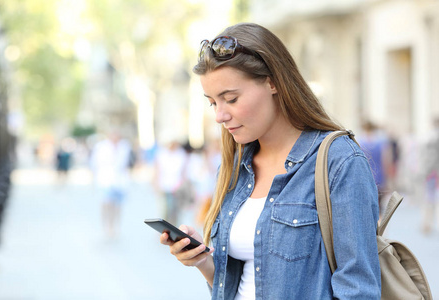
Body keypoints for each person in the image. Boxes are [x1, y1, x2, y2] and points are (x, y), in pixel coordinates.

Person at [159, 23, 380, 299]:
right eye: (213, 102)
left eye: (231, 99)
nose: (220, 115)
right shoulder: (234, 167)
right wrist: (202, 260)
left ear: (273, 82)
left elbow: (358, 290)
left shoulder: (339, 161)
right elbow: (242, 280)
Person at [90, 130, 132, 239]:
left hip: (120, 182)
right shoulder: (101, 147)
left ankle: (115, 226)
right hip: (105, 180)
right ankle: (106, 226)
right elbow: (95, 163)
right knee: (106, 204)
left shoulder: (124, 146)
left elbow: (126, 163)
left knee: (117, 206)